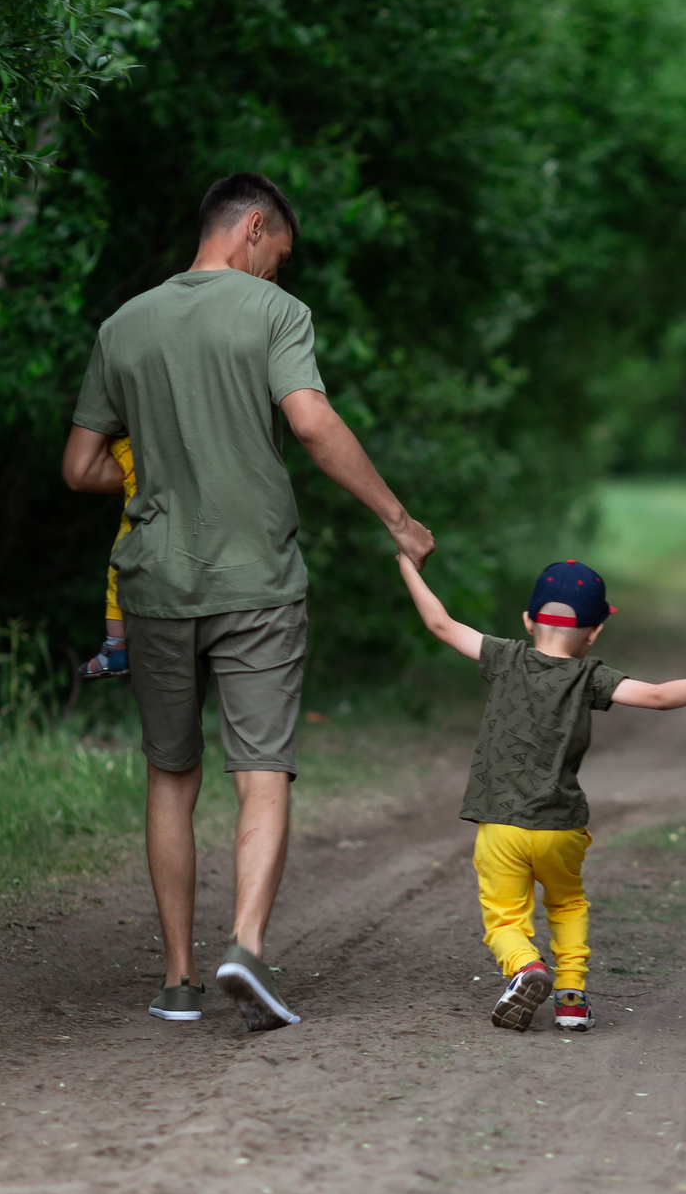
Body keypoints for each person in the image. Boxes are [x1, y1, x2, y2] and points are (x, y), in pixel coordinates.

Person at [63, 172, 435, 1031]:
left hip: (155, 582)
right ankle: (247, 944)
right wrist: (398, 518)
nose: (278, 274)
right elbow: (309, 422)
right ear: (254, 227)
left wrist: (150, 460)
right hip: (258, 581)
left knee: (171, 771)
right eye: (280, 257)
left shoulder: (125, 326)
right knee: (260, 768)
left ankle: (177, 978)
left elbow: (80, 467)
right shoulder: (275, 316)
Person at [398, 556, 686, 1032]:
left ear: (528, 619)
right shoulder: (591, 677)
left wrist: (407, 565)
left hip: (501, 824)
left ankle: (525, 967)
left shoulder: (505, 656)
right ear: (595, 632)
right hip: (560, 828)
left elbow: (440, 623)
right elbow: (660, 696)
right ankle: (570, 997)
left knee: (505, 917)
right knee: (566, 904)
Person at [78, 436, 137, 679]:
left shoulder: (127, 446)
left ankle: (116, 645)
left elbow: (79, 471)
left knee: (118, 572)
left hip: (145, 521)